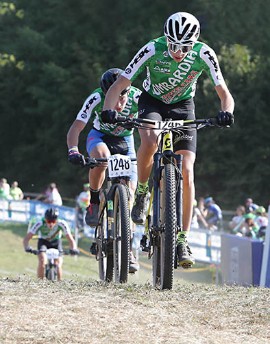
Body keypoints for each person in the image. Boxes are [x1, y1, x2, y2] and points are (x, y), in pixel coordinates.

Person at [101, 12, 234, 268]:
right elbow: (121, 83)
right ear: (166, 39)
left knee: (187, 170)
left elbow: (224, 93)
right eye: (173, 45)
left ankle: (182, 239)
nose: (177, 51)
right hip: (152, 102)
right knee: (149, 141)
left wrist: (226, 112)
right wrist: (110, 109)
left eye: (184, 47)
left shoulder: (204, 53)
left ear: (194, 43)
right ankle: (141, 192)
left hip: (184, 107)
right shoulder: (152, 48)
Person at [67, 68, 142, 272]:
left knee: (131, 198)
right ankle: (93, 201)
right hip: (99, 136)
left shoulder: (137, 96)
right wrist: (73, 150)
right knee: (102, 158)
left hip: (126, 141)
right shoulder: (96, 97)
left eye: (121, 97)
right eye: (112, 98)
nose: (118, 104)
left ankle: (129, 250)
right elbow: (76, 127)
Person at [23, 208, 79, 280]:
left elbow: (70, 239)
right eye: (48, 221)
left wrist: (73, 249)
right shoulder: (40, 223)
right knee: (42, 261)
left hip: (56, 242)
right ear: (45, 219)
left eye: (53, 221)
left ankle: (59, 283)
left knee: (58, 264)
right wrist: (27, 247)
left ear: (57, 220)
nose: (51, 224)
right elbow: (27, 238)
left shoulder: (61, 223)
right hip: (43, 242)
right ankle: (40, 282)